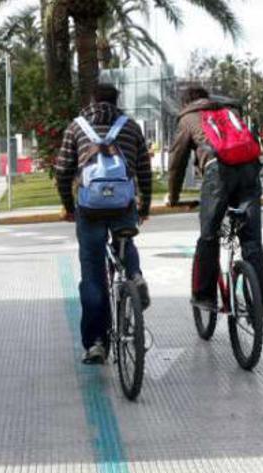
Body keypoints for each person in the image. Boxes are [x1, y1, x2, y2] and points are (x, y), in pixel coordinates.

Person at [56, 83, 152, 365]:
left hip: (89, 207)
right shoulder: (131, 127)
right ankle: (134, 274)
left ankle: (96, 343)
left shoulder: (76, 127)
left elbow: (62, 171)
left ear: (91, 100)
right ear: (116, 101)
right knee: (126, 239)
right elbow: (144, 170)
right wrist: (144, 207)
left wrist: (67, 205)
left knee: (92, 273)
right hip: (123, 204)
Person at [166, 87, 263, 310]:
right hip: (249, 171)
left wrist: (173, 197)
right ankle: (260, 301)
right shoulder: (228, 111)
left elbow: (177, 162)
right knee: (252, 240)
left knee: (209, 236)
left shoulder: (187, 118)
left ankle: (205, 296)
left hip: (218, 173)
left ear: (186, 103)